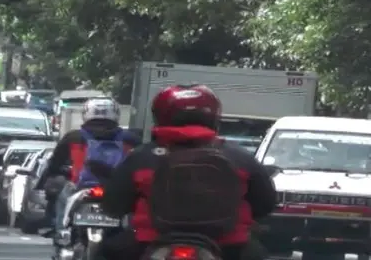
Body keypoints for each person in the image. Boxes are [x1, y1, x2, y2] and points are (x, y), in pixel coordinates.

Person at [99, 85, 276, 260]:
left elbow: (113, 205)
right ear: (213, 117)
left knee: (102, 251)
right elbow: (265, 204)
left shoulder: (140, 157)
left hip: (148, 241)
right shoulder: (240, 157)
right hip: (229, 245)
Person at [38, 97, 140, 236]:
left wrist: (55, 174)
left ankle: (61, 232)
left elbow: (55, 164)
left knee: (61, 200)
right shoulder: (131, 138)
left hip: (79, 187)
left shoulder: (73, 137)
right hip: (117, 188)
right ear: (116, 114)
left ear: (86, 113)